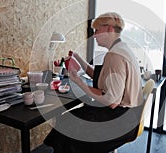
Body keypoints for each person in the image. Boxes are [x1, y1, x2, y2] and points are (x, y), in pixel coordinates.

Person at [44, 12, 143, 153]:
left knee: (67, 124)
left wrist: (78, 81)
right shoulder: (121, 48)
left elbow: (112, 101)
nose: (94, 35)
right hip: (129, 116)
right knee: (72, 119)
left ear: (109, 29)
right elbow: (98, 75)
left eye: (97, 30)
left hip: (121, 121)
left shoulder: (114, 56)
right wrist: (78, 58)